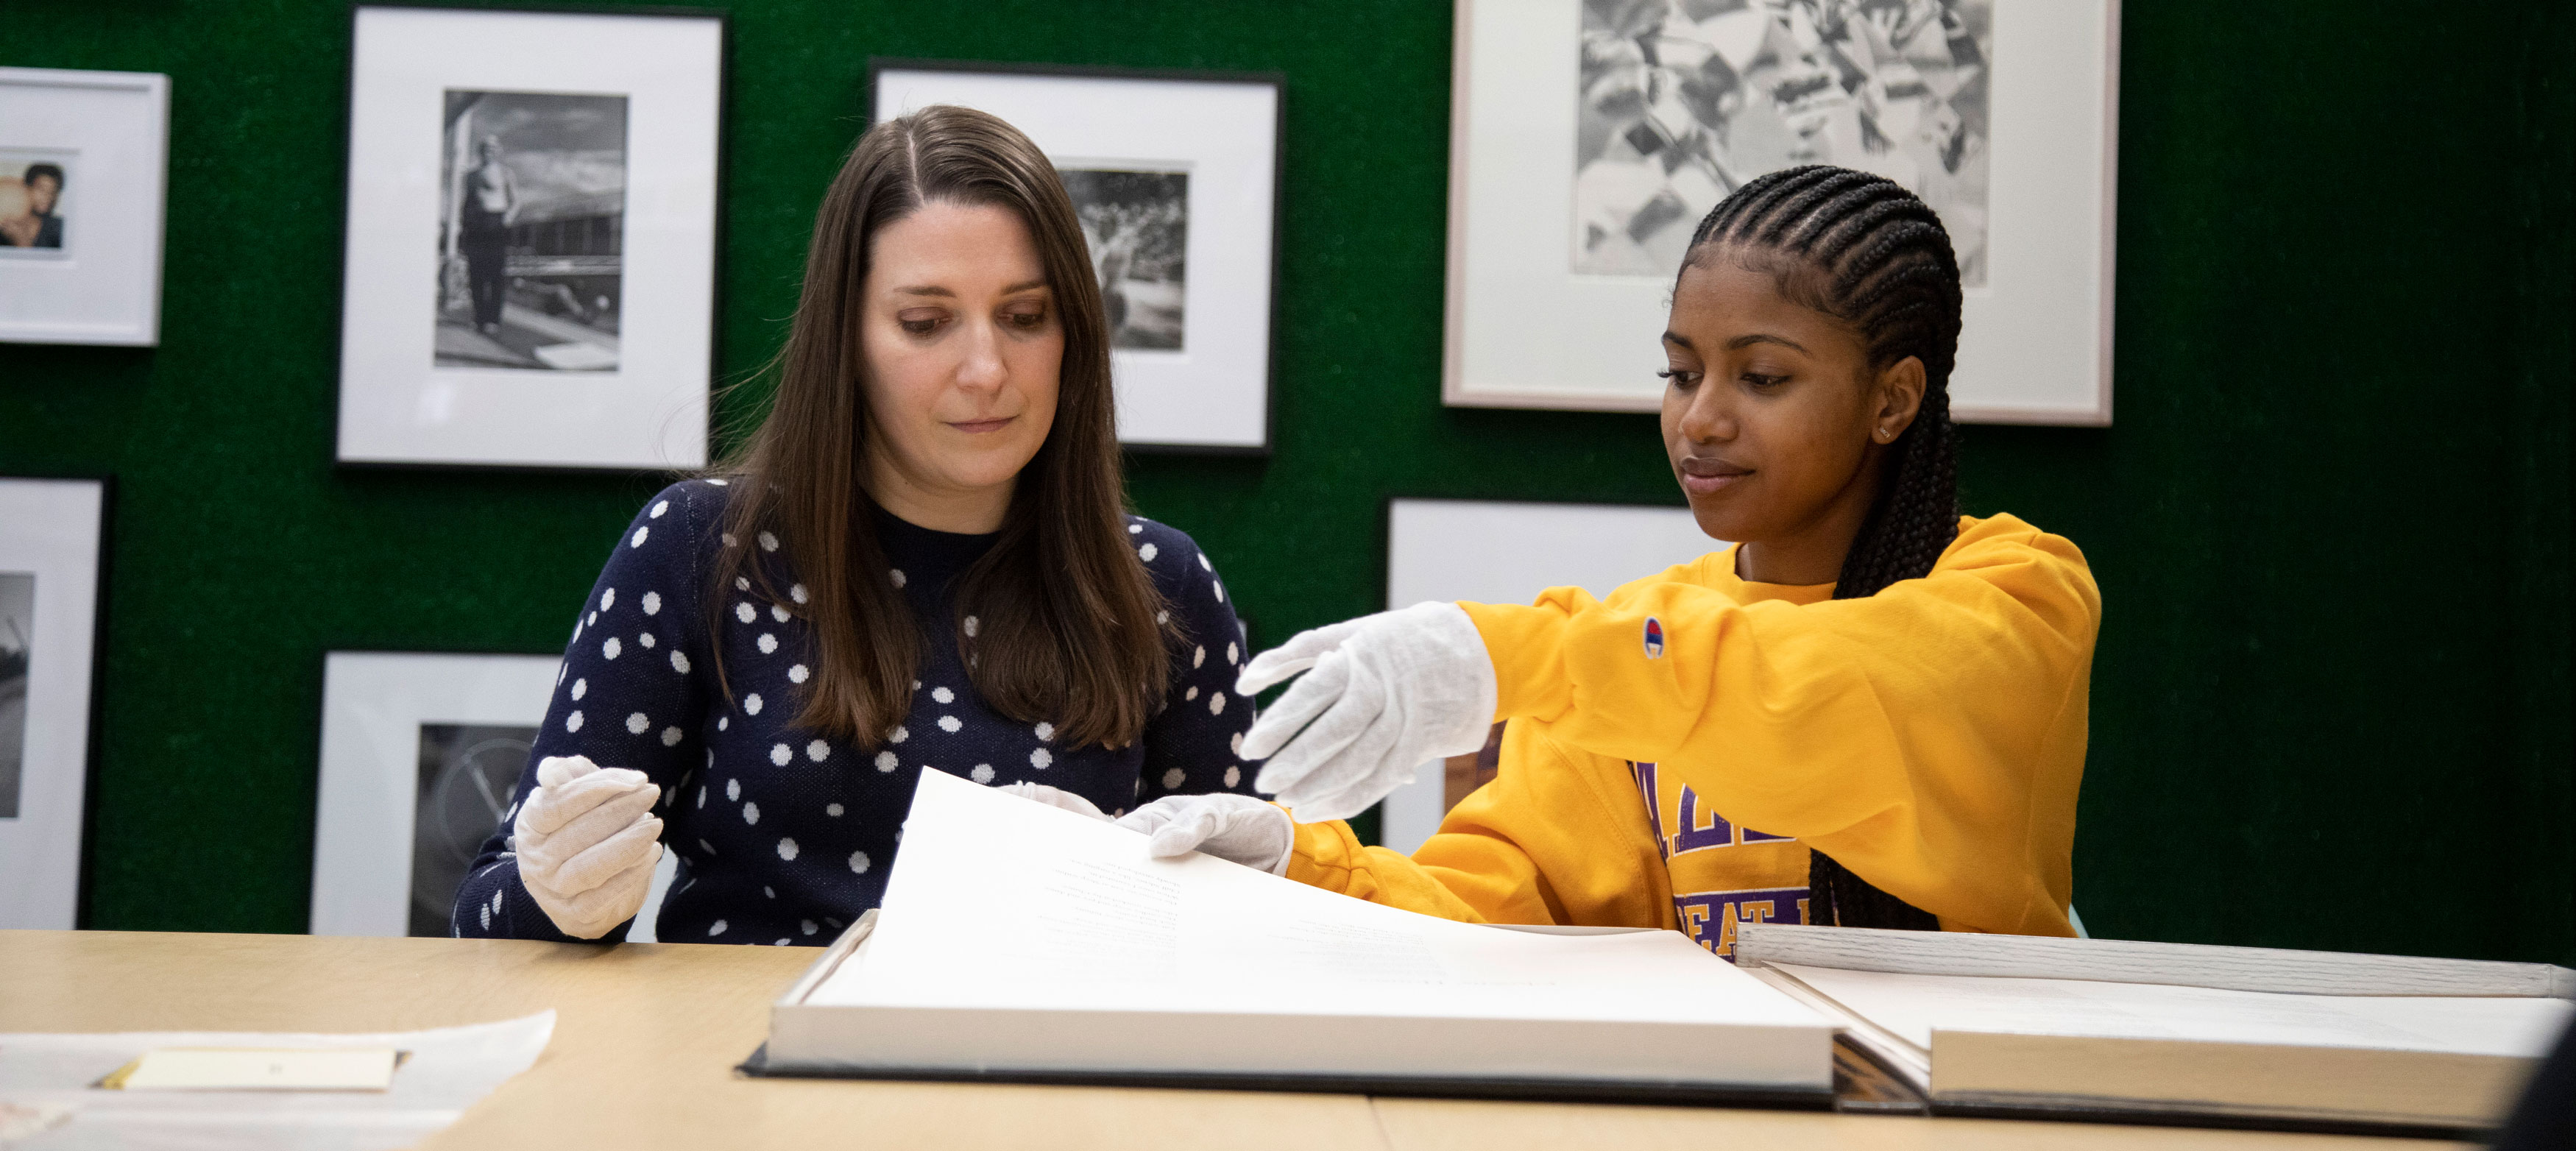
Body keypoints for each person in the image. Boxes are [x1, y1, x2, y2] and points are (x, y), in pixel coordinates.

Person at [1128, 166, 2099, 957]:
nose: (1702, 417)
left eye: (1762, 377)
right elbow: (1496, 915)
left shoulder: (2020, 596)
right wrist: (1296, 868)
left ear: (1892, 401)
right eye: (1680, 372)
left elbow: (1826, 690)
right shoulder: (1622, 652)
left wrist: (1518, 660)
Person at [453, 106, 1260, 946]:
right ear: (847, 339)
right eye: (925, 322)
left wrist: (1237, 894)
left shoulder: (1160, 582)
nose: (985, 369)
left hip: (1043, 1073)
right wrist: (558, 897)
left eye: (1024, 317)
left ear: (1074, 336)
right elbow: (486, 907)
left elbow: (1240, 945)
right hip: (735, 1068)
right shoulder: (702, 545)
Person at [458, 138, 514, 335]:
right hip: (476, 225)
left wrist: (507, 218)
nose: (488, 151)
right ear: (480, 151)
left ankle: (493, 319)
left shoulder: (505, 173)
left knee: (496, 275)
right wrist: (464, 226)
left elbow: (516, 201)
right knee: (476, 274)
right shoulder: (471, 176)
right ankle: (480, 317)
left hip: (496, 223)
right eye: (484, 148)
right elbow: (466, 202)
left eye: (492, 148)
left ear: (498, 150)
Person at [0, 163, 63, 249]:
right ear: (26, 189)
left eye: (53, 191)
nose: (48, 196)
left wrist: (22, 241)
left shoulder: (59, 228)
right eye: (41, 189)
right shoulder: (6, 225)